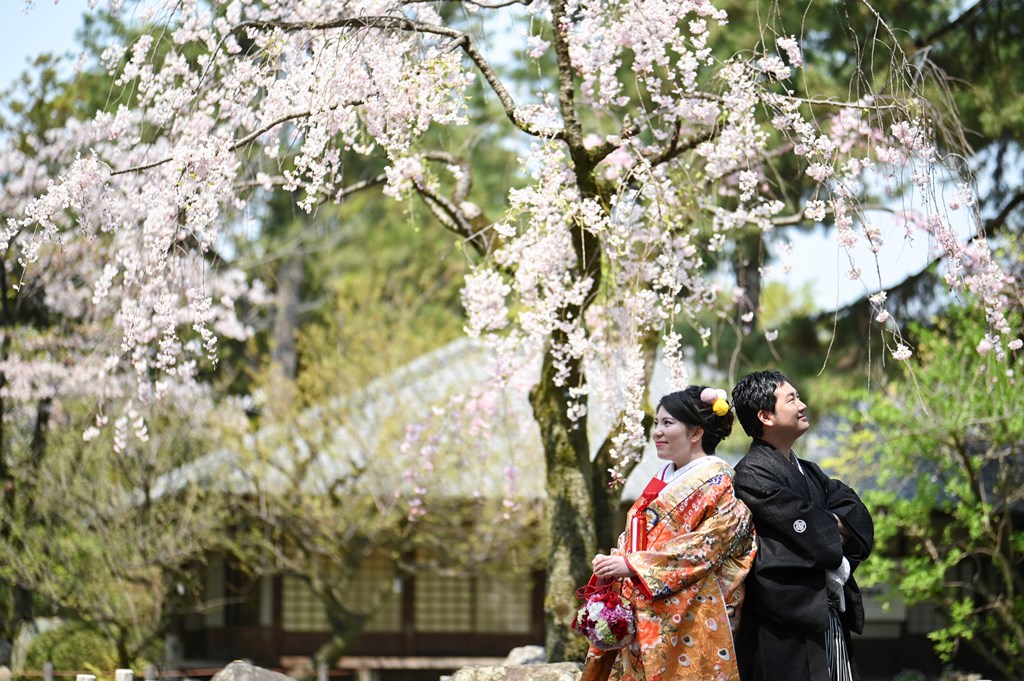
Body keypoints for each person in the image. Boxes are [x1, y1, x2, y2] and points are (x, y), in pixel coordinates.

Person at [588, 386, 757, 681]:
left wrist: (634, 566)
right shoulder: (662, 479)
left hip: (687, 610)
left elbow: (707, 546)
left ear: (696, 432)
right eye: (657, 423)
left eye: (667, 423)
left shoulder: (718, 482)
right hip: (643, 601)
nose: (657, 431)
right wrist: (615, 562)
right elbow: (635, 534)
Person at [730, 369, 874, 681]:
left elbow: (856, 510)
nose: (803, 405)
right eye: (792, 399)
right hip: (780, 628)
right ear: (766, 416)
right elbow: (819, 540)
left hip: (825, 617)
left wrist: (823, 522)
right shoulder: (751, 475)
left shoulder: (810, 472)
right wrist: (833, 524)